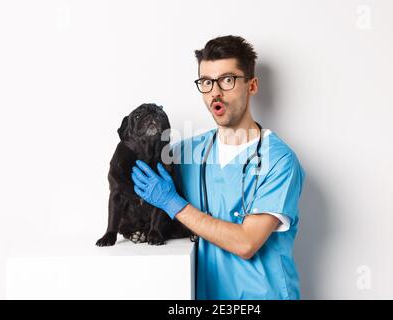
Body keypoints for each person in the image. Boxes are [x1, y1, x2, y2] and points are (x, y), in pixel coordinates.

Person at [130, 35, 305, 300]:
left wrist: (173, 203)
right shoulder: (185, 153)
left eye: (227, 80)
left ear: (252, 85)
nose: (215, 92)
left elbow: (246, 243)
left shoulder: (279, 161)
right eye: (206, 82)